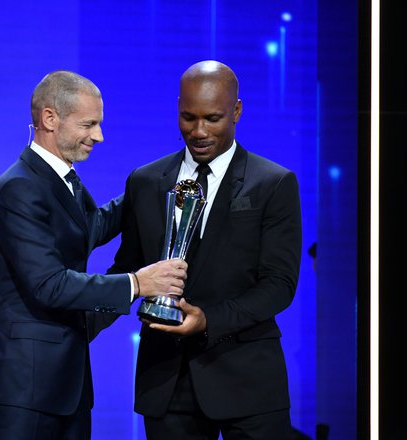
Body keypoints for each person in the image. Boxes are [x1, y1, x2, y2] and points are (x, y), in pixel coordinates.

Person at [0, 70, 188, 440]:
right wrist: (137, 284)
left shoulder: (61, 179)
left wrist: (148, 184)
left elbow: (91, 228)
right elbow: (49, 285)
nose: (99, 136)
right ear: (50, 119)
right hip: (20, 388)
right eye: (89, 124)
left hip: (65, 386)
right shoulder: (19, 189)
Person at [109, 60, 302, 440]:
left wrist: (209, 319)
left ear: (237, 111)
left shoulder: (274, 183)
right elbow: (128, 268)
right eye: (188, 117)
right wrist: (76, 322)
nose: (198, 131)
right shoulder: (145, 181)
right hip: (165, 381)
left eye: (212, 118)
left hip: (248, 383)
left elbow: (279, 284)